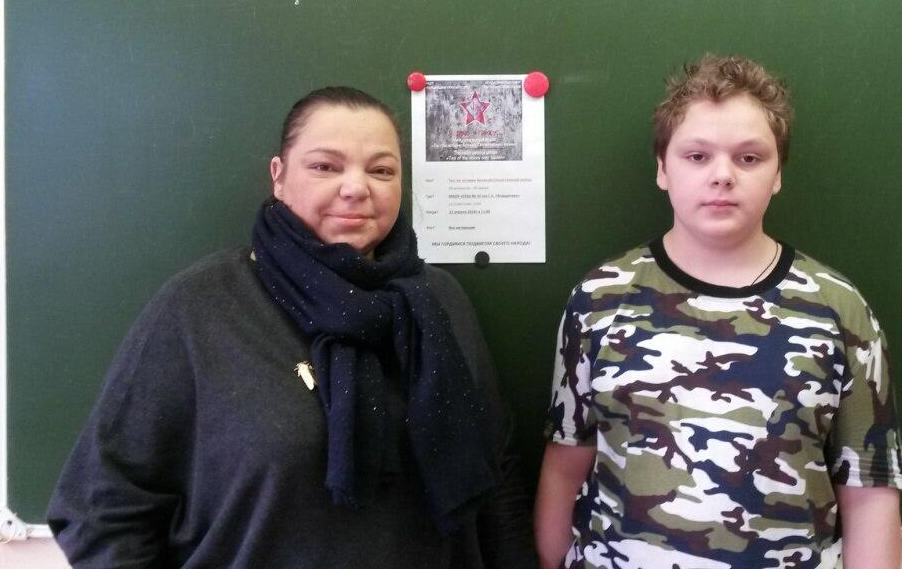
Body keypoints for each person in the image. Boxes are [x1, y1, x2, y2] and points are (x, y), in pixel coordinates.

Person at [48, 86, 536, 568]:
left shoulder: (439, 301)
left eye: (381, 170)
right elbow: (100, 508)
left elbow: (497, 475)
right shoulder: (198, 307)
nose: (356, 187)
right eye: (325, 166)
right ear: (278, 177)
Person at [533, 55, 902, 569]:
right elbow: (564, 466)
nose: (723, 176)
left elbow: (869, 494)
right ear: (663, 168)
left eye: (749, 158)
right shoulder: (599, 300)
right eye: (697, 156)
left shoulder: (839, 309)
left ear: (778, 174)